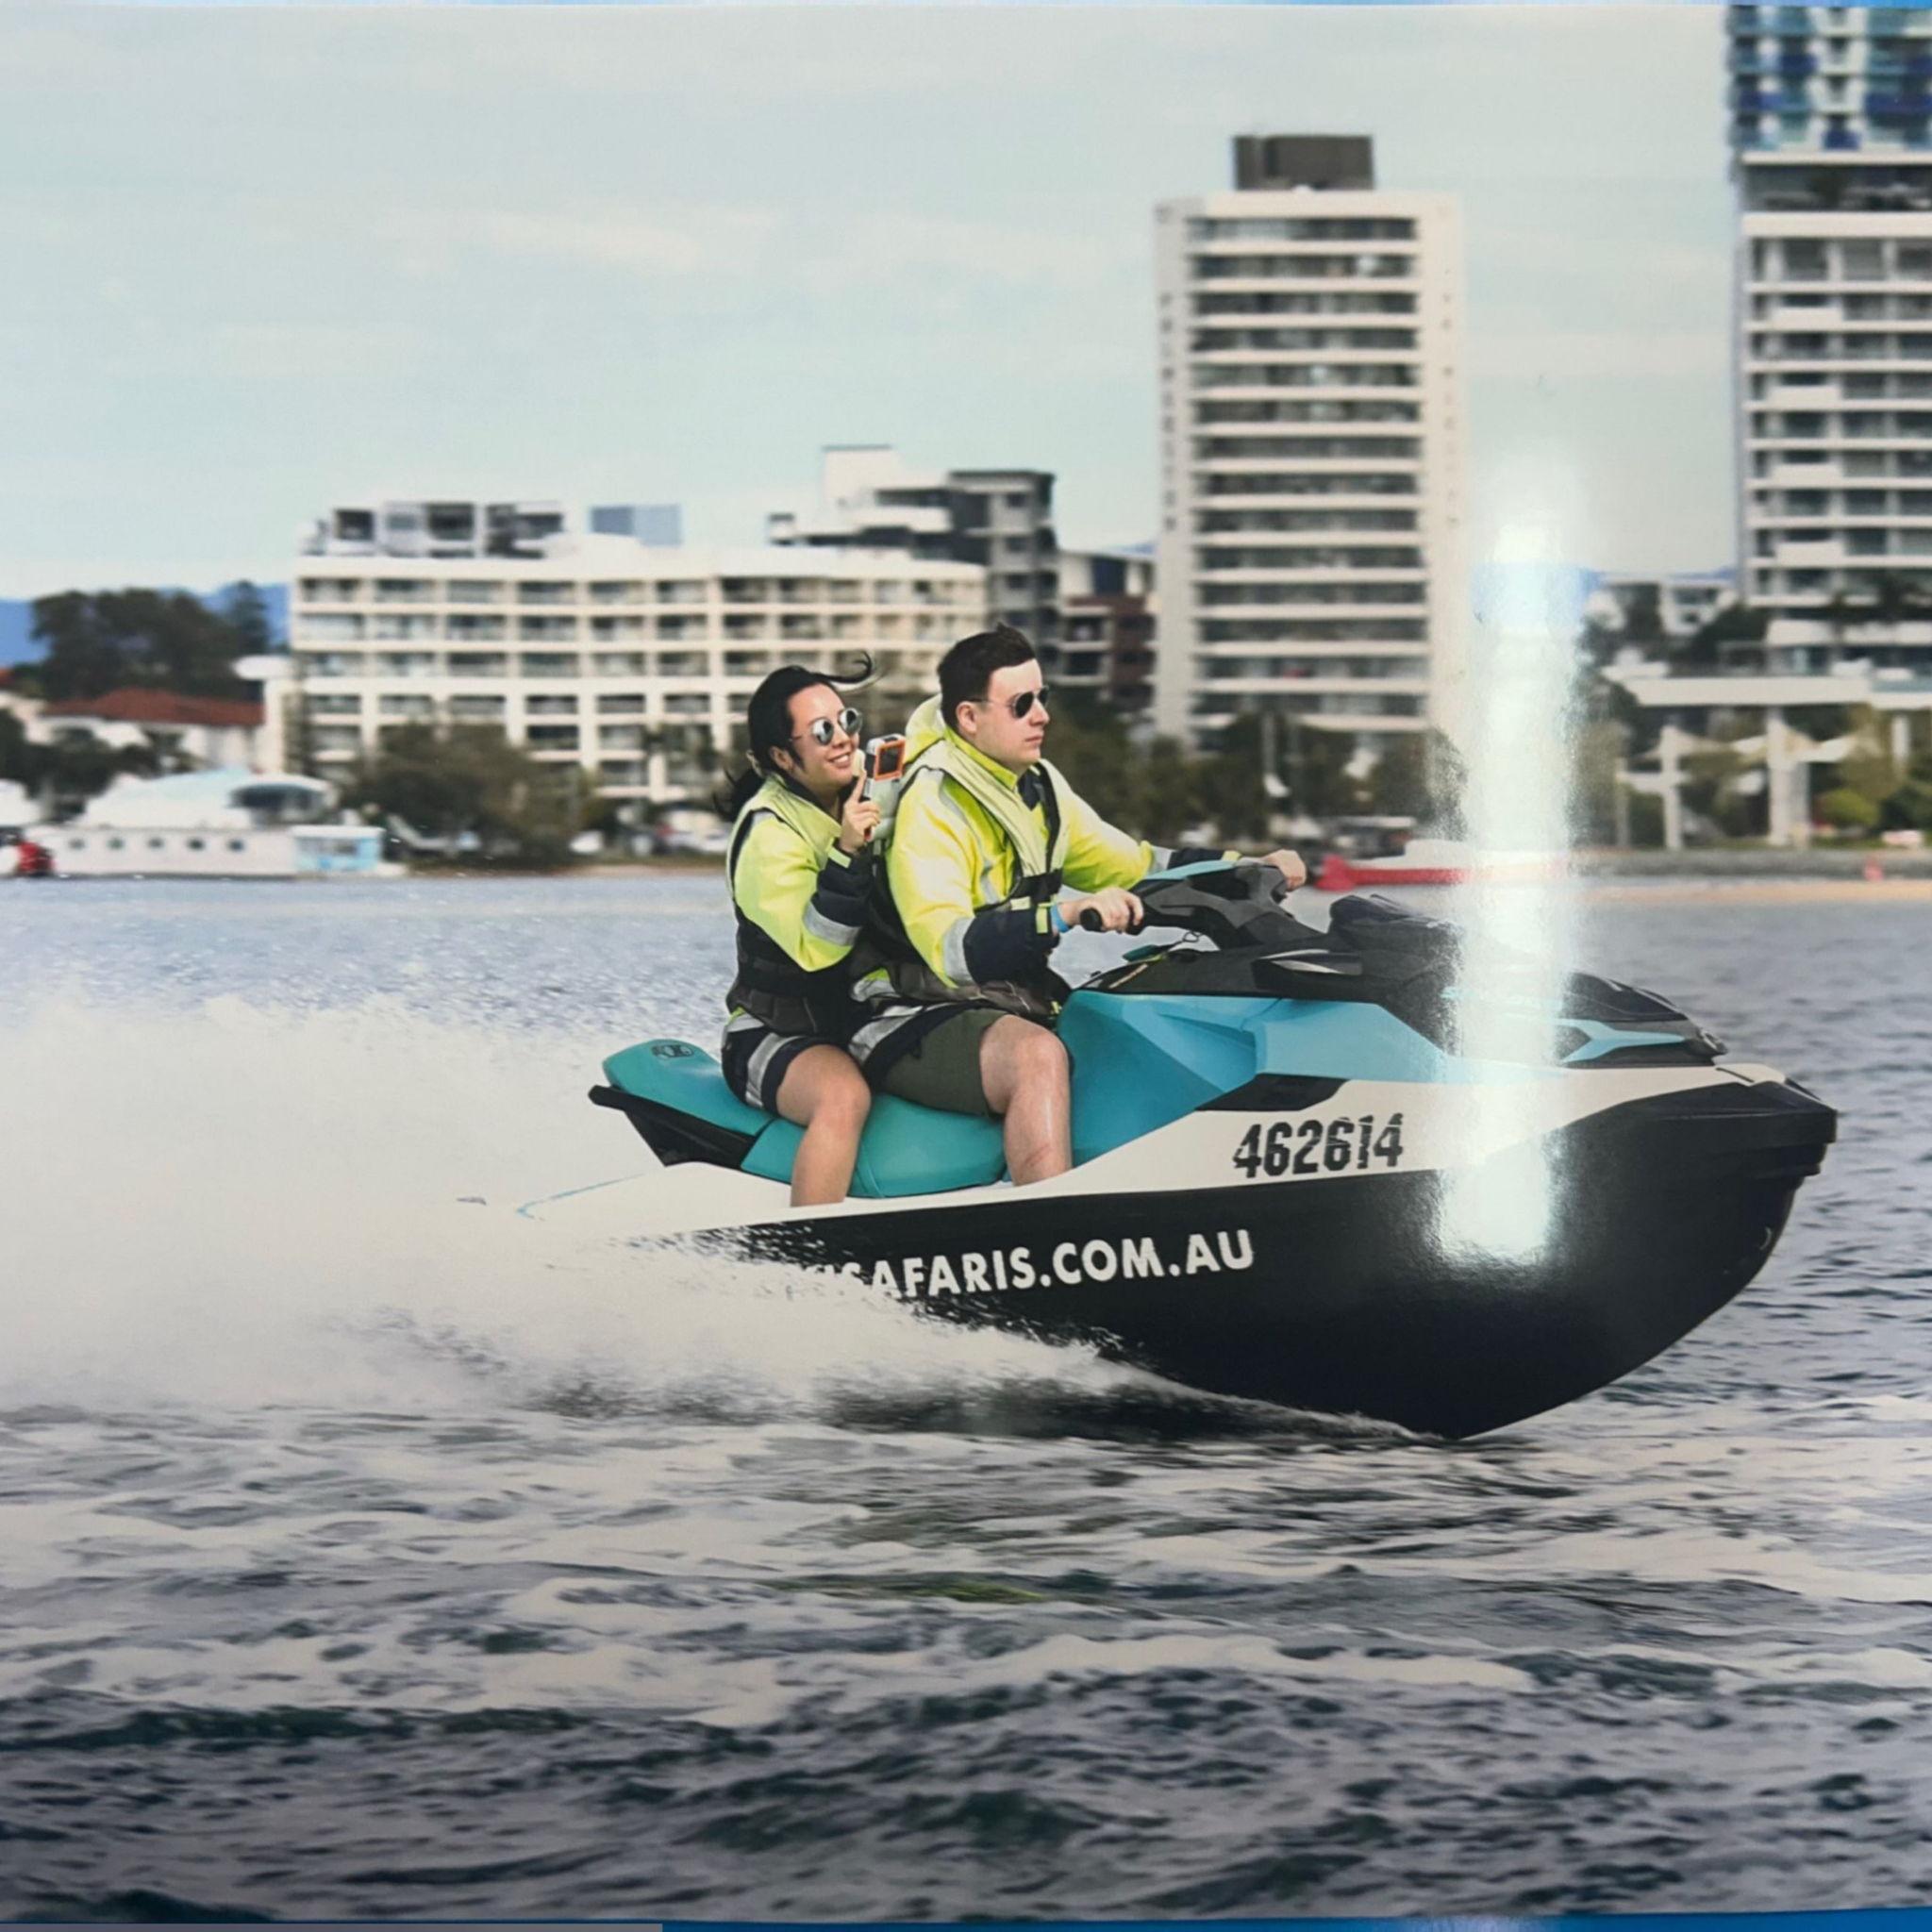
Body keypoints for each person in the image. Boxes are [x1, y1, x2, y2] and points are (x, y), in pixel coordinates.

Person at [854, 624, 1307, 1185]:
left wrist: (1248, 865)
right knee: (1036, 1059)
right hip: (910, 1014)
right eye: (1022, 704)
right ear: (970, 718)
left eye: (1043, 698)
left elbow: (1136, 864)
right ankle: (1047, 1226)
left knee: (1130, 1020)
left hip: (1004, 1000)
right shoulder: (936, 804)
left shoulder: (1037, 785)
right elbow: (949, 950)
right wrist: (1065, 913)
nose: (1041, 715)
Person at [720, 664, 882, 1208]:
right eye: (821, 732)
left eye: (846, 721)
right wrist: (848, 854)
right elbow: (817, 948)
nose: (843, 740)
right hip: (772, 1034)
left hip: (861, 1019)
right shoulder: (768, 833)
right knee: (843, 1097)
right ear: (781, 758)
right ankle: (809, 1263)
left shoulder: (869, 785)